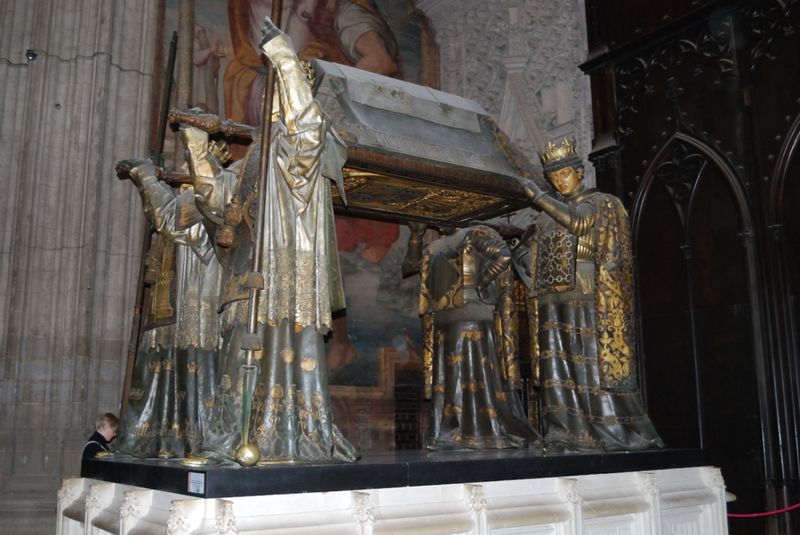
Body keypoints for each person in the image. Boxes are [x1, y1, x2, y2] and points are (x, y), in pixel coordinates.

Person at [178, 16, 357, 464]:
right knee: (238, 359)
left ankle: (278, 438)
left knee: (275, 353)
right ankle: (233, 438)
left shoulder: (297, 144)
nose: (271, 101)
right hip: (245, 277)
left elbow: (309, 129)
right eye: (272, 90)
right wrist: (198, 147)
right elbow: (217, 202)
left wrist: (285, 58)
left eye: (279, 89)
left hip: (281, 272)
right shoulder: (255, 154)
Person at [513, 137, 664, 452]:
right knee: (556, 367)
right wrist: (523, 257)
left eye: (565, 174)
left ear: (580, 172)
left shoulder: (601, 202)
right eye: (553, 178)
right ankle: (563, 432)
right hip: (549, 299)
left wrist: (540, 197)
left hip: (586, 295)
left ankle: (610, 432)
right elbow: (526, 252)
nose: (559, 181)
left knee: (588, 364)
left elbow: (580, 223)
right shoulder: (547, 216)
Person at [114, 156, 223, 461]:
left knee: (194, 372)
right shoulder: (183, 198)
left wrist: (146, 176)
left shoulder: (207, 201)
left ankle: (197, 442)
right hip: (171, 306)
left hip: (197, 301)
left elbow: (172, 222)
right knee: (161, 373)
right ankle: (156, 441)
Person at [403, 223, 536, 449]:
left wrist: (483, 284)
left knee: (475, 375)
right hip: (444, 321)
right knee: (450, 379)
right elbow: (410, 266)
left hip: (473, 315)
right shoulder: (435, 246)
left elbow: (503, 256)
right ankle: (452, 432)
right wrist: (415, 235)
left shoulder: (476, 234)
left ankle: (478, 432)